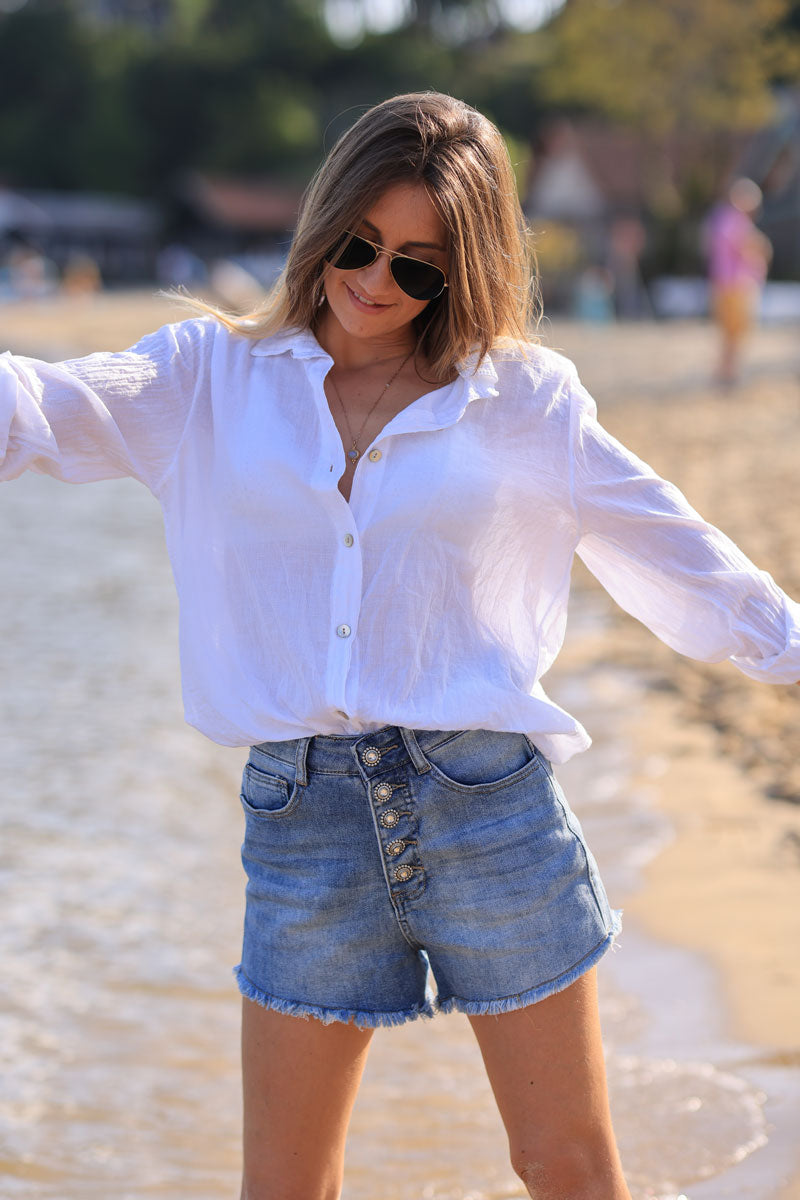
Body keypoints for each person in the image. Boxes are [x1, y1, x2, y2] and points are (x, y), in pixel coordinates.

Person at [1, 93, 799, 1200]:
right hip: (301, 825)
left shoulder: (523, 399)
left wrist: (786, 647)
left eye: (420, 266)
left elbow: (675, 548)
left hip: (488, 810)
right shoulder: (205, 379)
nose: (378, 281)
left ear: (463, 271)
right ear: (323, 224)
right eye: (359, 246)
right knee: (283, 1186)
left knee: (564, 1166)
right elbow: (31, 409)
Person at [706, 177, 772, 386]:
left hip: (725, 283)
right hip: (736, 285)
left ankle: (727, 370)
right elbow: (749, 246)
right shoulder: (734, 220)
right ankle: (728, 372)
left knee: (730, 334)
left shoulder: (720, 218)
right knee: (735, 332)